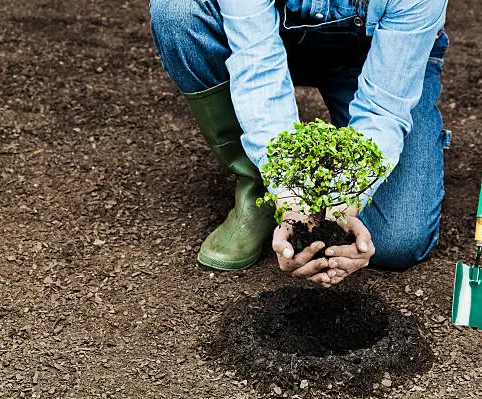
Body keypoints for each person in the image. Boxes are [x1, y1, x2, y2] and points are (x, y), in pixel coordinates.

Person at [150, 0, 450, 286]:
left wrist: (345, 201)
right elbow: (258, 68)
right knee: (177, 10)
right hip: (273, 37)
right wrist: (288, 193)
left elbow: (382, 109)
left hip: (376, 52)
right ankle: (258, 189)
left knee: (396, 240)